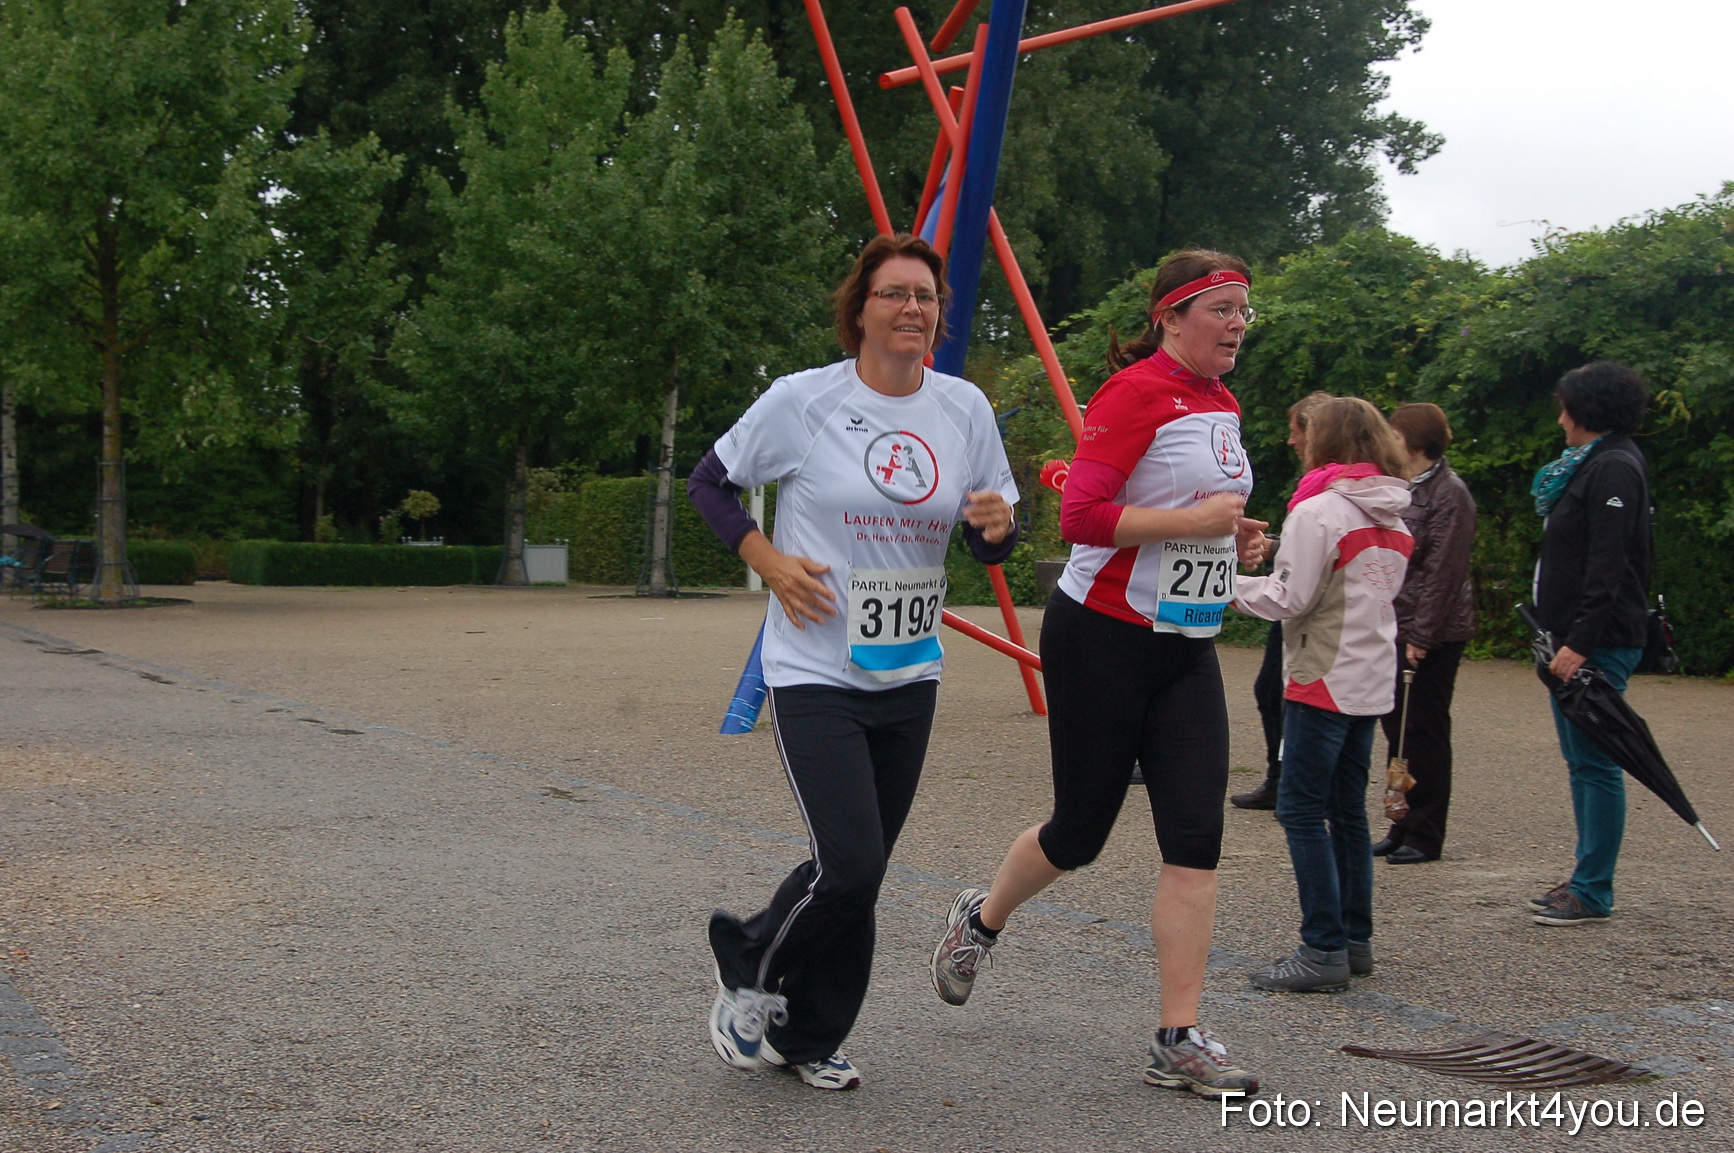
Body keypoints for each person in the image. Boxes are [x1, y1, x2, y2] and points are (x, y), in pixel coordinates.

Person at [929, 248, 1269, 1098]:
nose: (1236, 325)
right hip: (1102, 638)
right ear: (1171, 316)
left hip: (1184, 647)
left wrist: (1233, 540)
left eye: (1243, 311)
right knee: (1078, 833)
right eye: (1221, 308)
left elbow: (1190, 516)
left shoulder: (1221, 401)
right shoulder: (1134, 394)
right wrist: (1191, 518)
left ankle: (1179, 1035)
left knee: (1196, 839)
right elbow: (1082, 516)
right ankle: (982, 917)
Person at [687, 234, 1019, 1088]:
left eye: (927, 296)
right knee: (853, 863)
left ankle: (809, 1035)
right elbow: (709, 482)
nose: (914, 308)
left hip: (910, 670)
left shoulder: (964, 409)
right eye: (895, 293)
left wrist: (995, 529)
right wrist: (766, 559)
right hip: (812, 667)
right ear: (860, 308)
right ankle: (749, 964)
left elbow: (994, 538)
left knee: (859, 873)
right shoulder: (805, 400)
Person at [1232, 397, 1413, 992]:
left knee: (1302, 810)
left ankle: (1322, 945)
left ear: (1324, 441)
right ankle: (1353, 938)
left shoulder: (1320, 511)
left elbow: (1290, 597)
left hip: (1320, 677)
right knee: (1346, 812)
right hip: (1369, 677)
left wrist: (1224, 586)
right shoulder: (1394, 514)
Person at [1527, 362, 1652, 926]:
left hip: (1593, 645)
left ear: (1585, 410)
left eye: (1565, 406)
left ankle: (1594, 889)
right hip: (1570, 641)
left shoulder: (1614, 468)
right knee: (1582, 761)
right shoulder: (1594, 465)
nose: (1559, 418)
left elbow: (1609, 564)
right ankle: (1585, 875)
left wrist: (1580, 641)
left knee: (1596, 763)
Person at [1371, 403, 1476, 865]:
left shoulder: (1450, 494)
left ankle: (1426, 832)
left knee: (1425, 729)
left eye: (1393, 433)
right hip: (1395, 623)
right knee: (1398, 729)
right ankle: (1401, 822)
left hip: (1431, 631)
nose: (1387, 440)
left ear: (1413, 440)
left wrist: (1422, 636)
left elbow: (1443, 572)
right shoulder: (1401, 488)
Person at [1231, 391, 1335, 811]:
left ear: (1316, 434)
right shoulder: (1315, 485)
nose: (1290, 442)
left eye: (1296, 433)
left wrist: (1224, 586)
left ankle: (1297, 786)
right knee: (1270, 689)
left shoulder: (1326, 493)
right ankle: (1282, 777)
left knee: (1288, 694)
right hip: (1297, 607)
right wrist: (1272, 548)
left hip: (1310, 613)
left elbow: (1317, 560)